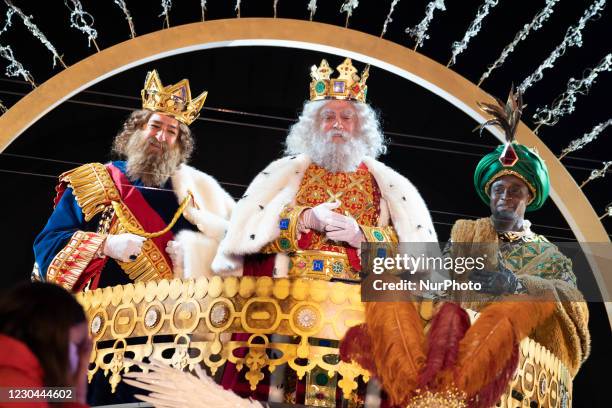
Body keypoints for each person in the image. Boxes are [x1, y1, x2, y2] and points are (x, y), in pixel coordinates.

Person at [212, 58, 438, 404]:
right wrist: (303, 219)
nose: (337, 125)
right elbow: (252, 237)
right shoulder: (285, 175)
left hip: (356, 311)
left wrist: (362, 236)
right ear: (313, 125)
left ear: (360, 127)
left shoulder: (386, 184)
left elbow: (408, 253)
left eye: (346, 117)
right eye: (328, 117)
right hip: (290, 310)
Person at [33, 70, 235, 292]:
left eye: (171, 132)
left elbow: (222, 274)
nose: (160, 137)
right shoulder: (95, 181)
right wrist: (105, 245)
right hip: (95, 318)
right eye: (155, 126)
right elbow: (47, 247)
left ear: (179, 144)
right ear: (138, 130)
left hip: (164, 321)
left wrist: (193, 259)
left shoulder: (192, 202)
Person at [0, 282, 91, 408]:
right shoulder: (17, 392)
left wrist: (75, 395)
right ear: (55, 335)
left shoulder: (18, 390)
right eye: (78, 346)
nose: (81, 359)